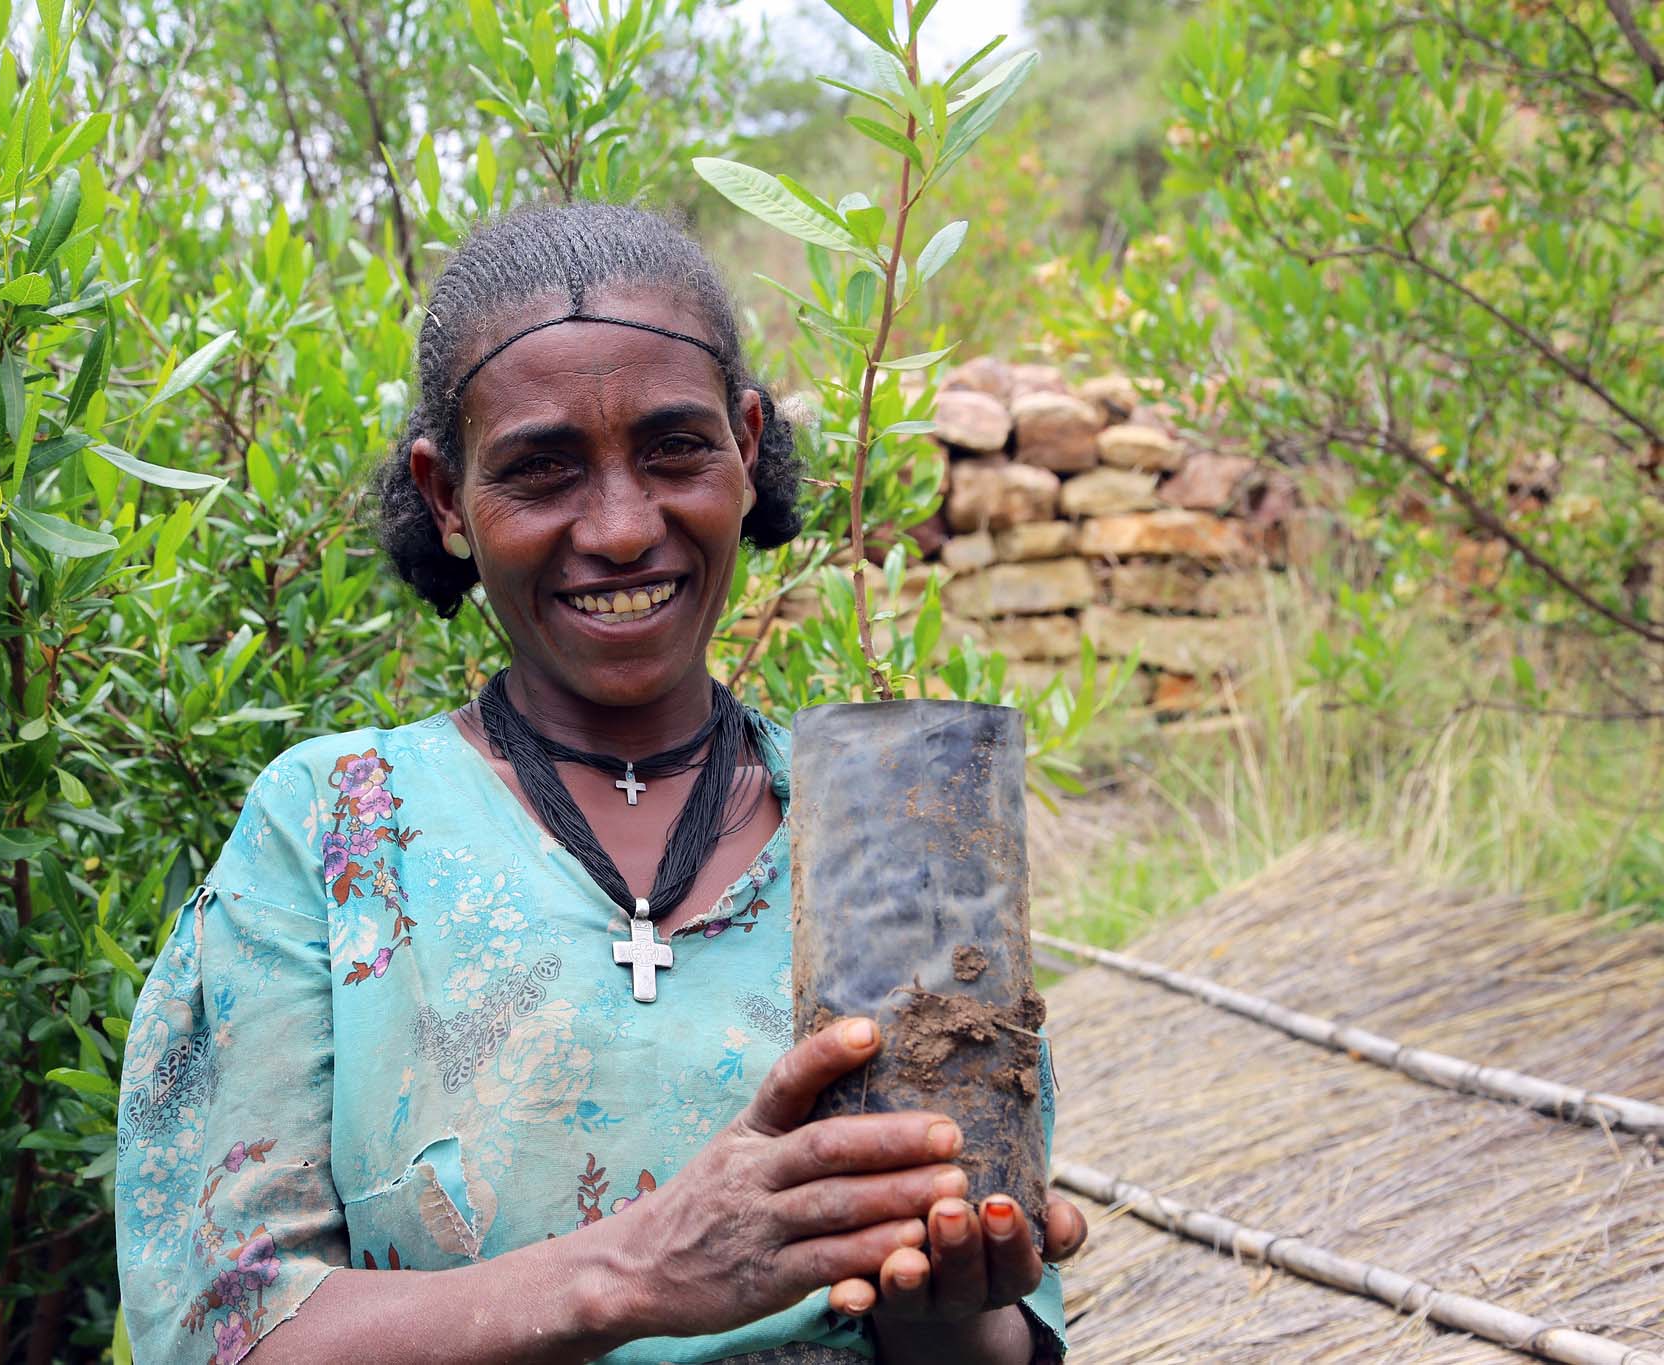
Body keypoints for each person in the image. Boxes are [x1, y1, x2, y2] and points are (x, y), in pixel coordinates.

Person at [115, 202, 1085, 1365]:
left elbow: (992, 1347)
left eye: (675, 449)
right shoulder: (332, 833)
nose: (623, 528)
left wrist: (949, 1304)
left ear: (742, 445)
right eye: (540, 471)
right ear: (444, 498)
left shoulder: (889, 830)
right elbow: (228, 1333)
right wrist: (635, 1271)